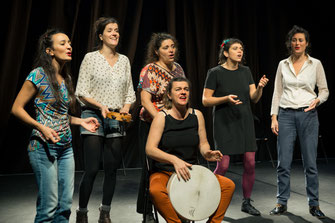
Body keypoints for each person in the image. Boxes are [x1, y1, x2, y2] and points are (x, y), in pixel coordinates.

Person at [11, 29, 99, 223]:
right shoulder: (38, 75)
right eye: (62, 43)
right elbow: (16, 108)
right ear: (49, 51)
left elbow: (61, 116)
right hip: (42, 147)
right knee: (48, 208)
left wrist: (81, 121)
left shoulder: (65, 78)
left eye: (69, 42)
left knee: (65, 205)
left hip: (66, 147)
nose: (69, 46)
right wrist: (40, 127)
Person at [146, 77, 235, 223]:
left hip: (190, 172)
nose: (183, 92)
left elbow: (203, 143)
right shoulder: (162, 117)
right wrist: (174, 160)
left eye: (186, 89)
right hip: (165, 172)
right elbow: (150, 149)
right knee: (156, 191)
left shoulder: (197, 115)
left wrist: (207, 153)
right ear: (169, 94)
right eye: (178, 89)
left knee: (228, 186)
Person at [74, 17, 136, 223]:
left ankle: (105, 212)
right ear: (101, 35)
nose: (115, 33)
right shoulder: (90, 58)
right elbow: (81, 92)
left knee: (111, 168)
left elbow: (129, 92)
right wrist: (100, 105)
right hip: (92, 115)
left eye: (117, 30)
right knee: (92, 168)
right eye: (110, 30)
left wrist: (126, 108)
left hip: (115, 116)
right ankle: (82, 212)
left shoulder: (124, 60)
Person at [202, 38, 268, 216]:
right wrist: (225, 99)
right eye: (235, 49)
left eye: (241, 49)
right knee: (223, 165)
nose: (240, 51)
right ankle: (209, 200)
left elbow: (254, 98)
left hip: (244, 121)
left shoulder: (246, 71)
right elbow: (205, 100)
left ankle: (246, 202)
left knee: (250, 162)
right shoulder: (215, 72)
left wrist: (260, 88)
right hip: (224, 122)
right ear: (225, 53)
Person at [269, 25, 328, 218]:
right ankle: (281, 202)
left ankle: (314, 204)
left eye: (301, 40)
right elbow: (277, 92)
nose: (297, 43)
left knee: (310, 163)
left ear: (307, 43)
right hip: (285, 115)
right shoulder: (282, 65)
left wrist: (317, 100)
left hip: (308, 115)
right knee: (283, 163)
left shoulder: (315, 64)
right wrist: (274, 117)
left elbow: (324, 90)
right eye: (294, 40)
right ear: (289, 43)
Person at [136, 33, 186, 223]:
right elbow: (145, 99)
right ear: (156, 51)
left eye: (172, 46)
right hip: (152, 124)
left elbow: (181, 95)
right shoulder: (149, 69)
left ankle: (175, 206)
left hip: (174, 124)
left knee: (173, 165)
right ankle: (147, 212)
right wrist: (160, 120)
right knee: (151, 168)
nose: (171, 50)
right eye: (166, 47)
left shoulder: (178, 69)